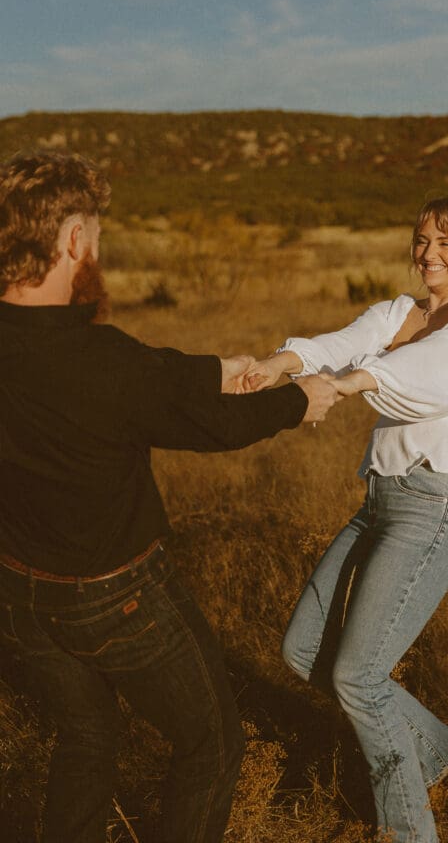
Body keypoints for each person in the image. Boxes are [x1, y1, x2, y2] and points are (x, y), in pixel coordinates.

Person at [0, 149, 337, 843]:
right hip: (116, 596)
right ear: (71, 241)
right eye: (93, 233)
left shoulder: (82, 357)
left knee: (87, 736)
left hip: (17, 593)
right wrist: (297, 402)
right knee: (212, 743)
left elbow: (150, 377)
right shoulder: (100, 360)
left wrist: (222, 367)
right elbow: (211, 424)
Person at [244, 195, 448, 843]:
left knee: (358, 676)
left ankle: (407, 831)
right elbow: (342, 342)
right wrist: (281, 363)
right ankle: (435, 753)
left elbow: (435, 373)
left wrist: (354, 382)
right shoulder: (400, 312)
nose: (428, 253)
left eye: (445, 241)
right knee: (303, 650)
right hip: (380, 502)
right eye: (420, 240)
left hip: (437, 505)